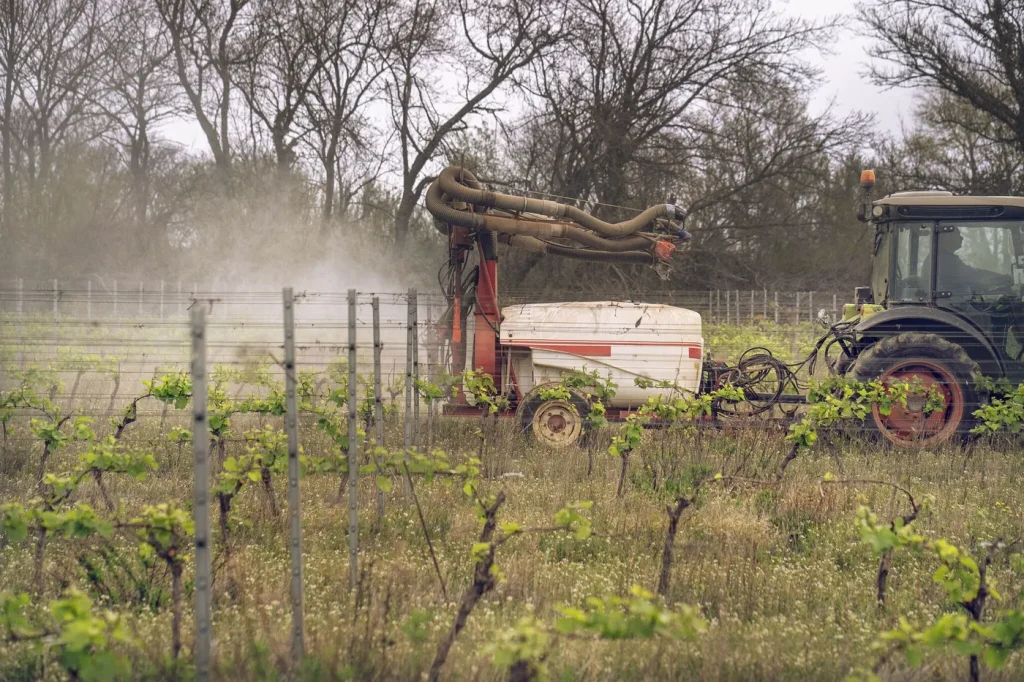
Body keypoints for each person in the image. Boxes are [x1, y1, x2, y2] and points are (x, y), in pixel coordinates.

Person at [936, 227, 1012, 295]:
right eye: (957, 234)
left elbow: (963, 280)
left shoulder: (941, 257)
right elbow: (975, 276)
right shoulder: (946, 260)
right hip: (952, 305)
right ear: (947, 238)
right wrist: (1004, 279)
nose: (961, 238)